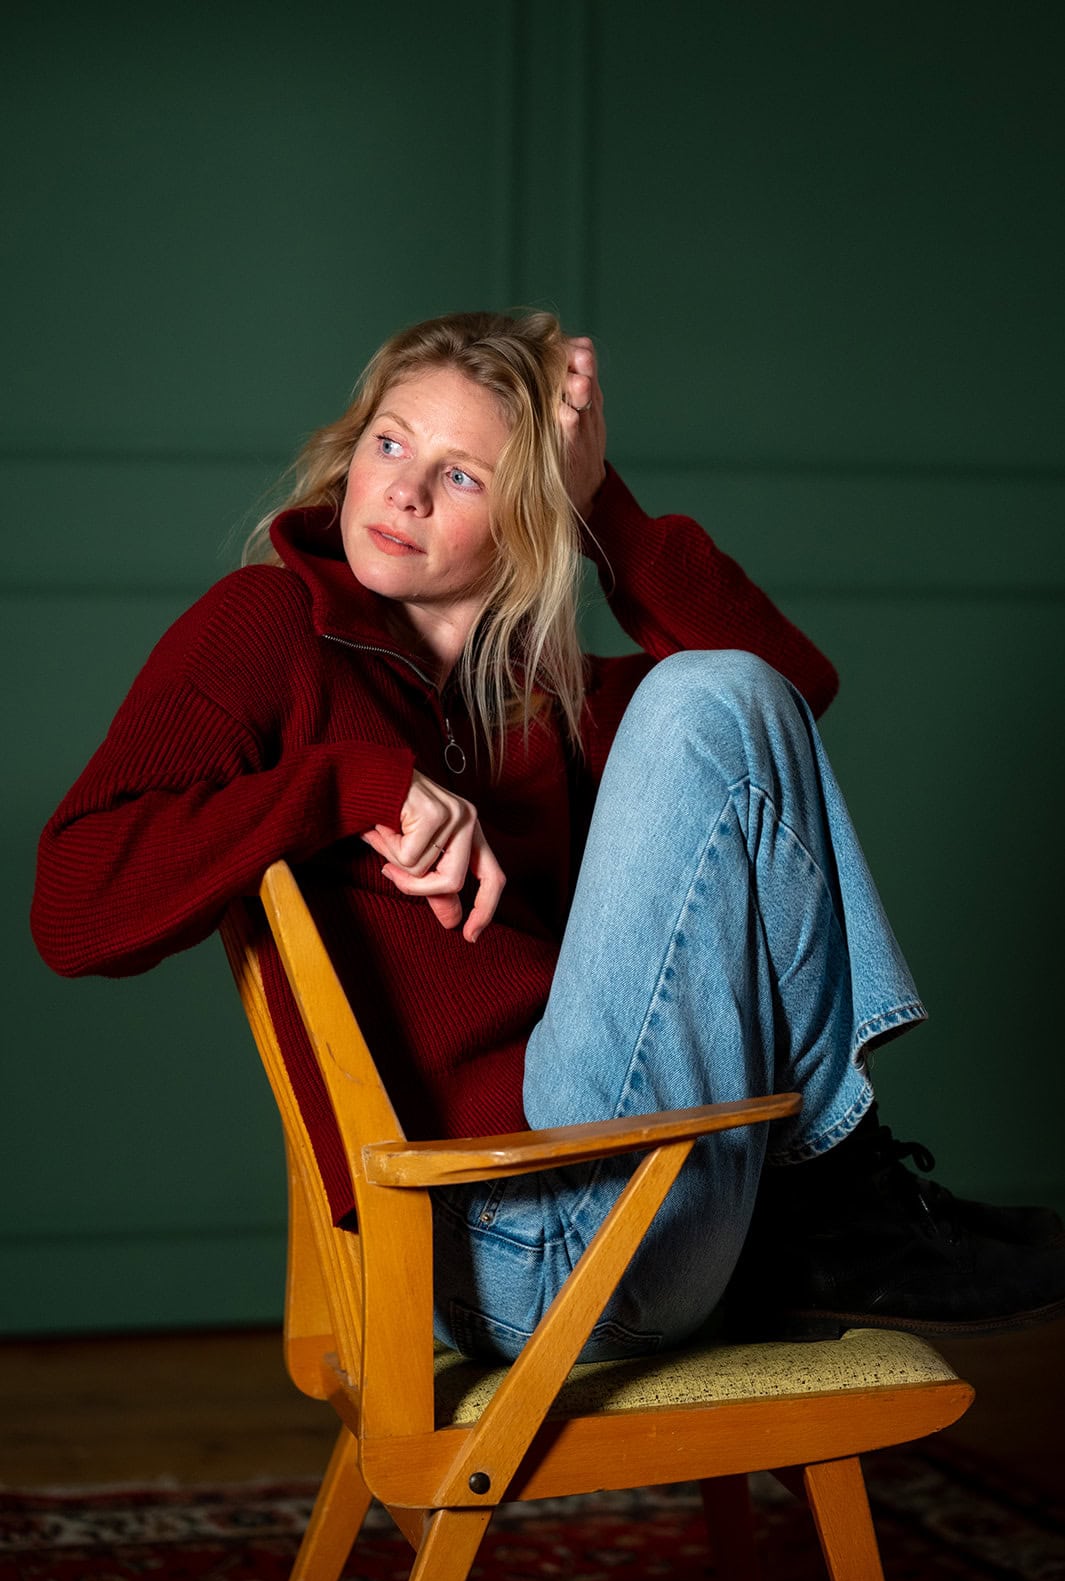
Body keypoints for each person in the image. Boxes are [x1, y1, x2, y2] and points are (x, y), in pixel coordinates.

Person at [31, 311, 1064, 1361]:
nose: (403, 491)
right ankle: (837, 1203)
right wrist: (353, 783)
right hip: (506, 1247)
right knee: (703, 696)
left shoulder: (547, 701)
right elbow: (71, 908)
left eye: (461, 476)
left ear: (530, 515)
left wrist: (598, 499)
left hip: (658, 1199)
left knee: (714, 692)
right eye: (389, 443)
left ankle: (833, 1203)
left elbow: (784, 696)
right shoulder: (267, 625)